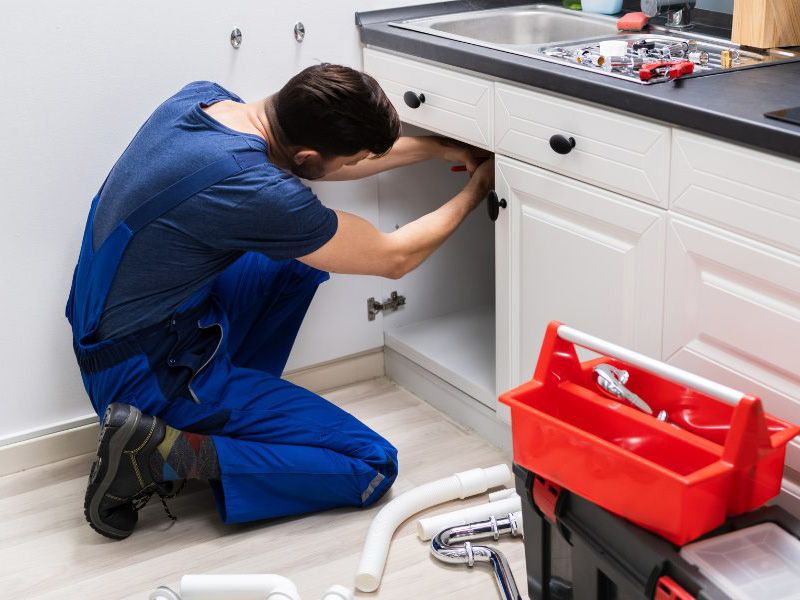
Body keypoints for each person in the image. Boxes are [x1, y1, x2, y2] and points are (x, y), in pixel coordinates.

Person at [67, 63, 494, 540]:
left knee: (294, 262)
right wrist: (479, 186)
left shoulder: (202, 102)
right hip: (146, 376)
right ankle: (162, 453)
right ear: (307, 155)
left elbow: (322, 166)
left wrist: (438, 147)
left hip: (118, 332)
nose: (346, 171)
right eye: (344, 163)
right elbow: (395, 257)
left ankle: (224, 418)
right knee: (371, 464)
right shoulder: (254, 190)